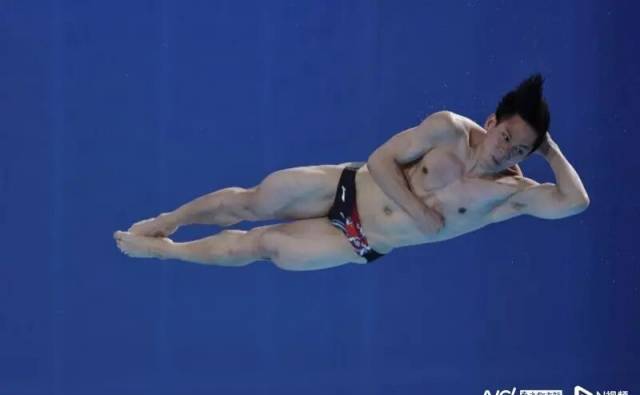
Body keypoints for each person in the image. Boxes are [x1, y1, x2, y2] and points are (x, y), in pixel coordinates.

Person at [113, 74, 589, 271]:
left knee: (266, 245)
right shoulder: (447, 129)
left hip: (359, 241)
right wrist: (418, 214)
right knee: (252, 200)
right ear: (492, 122)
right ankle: (169, 220)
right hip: (344, 184)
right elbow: (380, 160)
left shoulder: (510, 194)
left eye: (521, 150)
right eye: (506, 138)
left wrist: (549, 150)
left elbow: (575, 202)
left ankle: (167, 251)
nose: (507, 152)